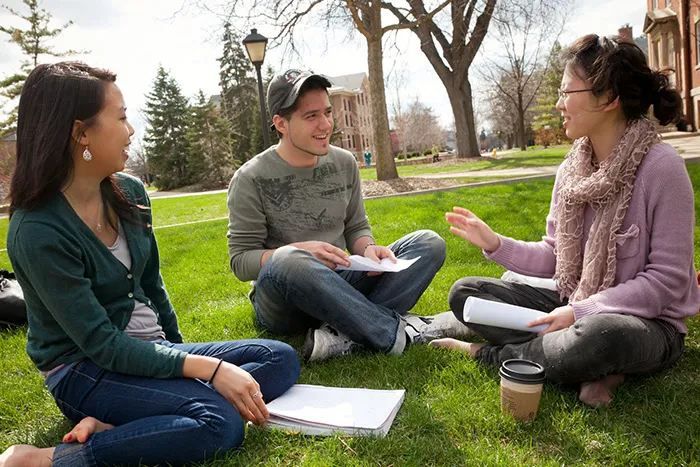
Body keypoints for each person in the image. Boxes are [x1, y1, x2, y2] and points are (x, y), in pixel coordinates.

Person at [0, 62, 300, 467]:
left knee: (278, 359)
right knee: (221, 423)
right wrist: (207, 371)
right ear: (80, 133)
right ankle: (47, 459)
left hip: (151, 351)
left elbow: (152, 287)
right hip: (86, 370)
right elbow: (103, 345)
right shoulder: (37, 229)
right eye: (121, 117)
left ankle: (126, 420)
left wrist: (179, 360)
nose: (131, 130)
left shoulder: (130, 192)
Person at [431, 35, 700, 407]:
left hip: (647, 324)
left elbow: (667, 281)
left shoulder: (661, 168)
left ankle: (491, 355)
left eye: (566, 92)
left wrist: (579, 312)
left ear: (607, 98)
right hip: (574, 302)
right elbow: (555, 255)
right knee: (466, 294)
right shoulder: (571, 171)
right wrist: (495, 243)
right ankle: (585, 367)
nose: (559, 104)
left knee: (601, 336)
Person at [227, 69, 469, 362]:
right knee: (289, 259)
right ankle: (396, 333)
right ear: (281, 123)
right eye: (311, 116)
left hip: (341, 280)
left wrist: (367, 249)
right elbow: (241, 262)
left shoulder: (344, 163)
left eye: (328, 112)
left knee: (429, 243)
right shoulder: (250, 178)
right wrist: (299, 251)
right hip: (283, 301)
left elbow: (356, 227)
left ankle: (341, 336)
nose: (326, 124)